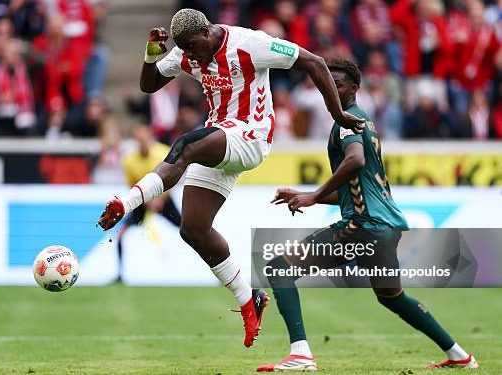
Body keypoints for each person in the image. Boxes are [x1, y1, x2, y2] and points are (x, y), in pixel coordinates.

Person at [97, 8, 364, 348]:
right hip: (219, 138)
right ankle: (249, 298)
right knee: (193, 229)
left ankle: (126, 201)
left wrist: (336, 113)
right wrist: (152, 54)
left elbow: (313, 61)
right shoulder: (185, 50)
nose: (191, 56)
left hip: (250, 136)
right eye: (186, 51)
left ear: (208, 32)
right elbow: (148, 85)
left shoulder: (251, 44)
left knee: (184, 145)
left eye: (194, 47)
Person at [257, 59, 477, 371]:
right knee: (391, 296)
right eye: (328, 83)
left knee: (279, 268)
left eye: (340, 84)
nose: (332, 88)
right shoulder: (366, 122)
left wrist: (313, 195)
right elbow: (357, 187)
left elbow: (355, 161)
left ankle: (301, 355)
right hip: (384, 226)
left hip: (363, 226)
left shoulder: (347, 121)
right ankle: (460, 355)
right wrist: (309, 197)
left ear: (355, 89)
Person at [116, 123, 181, 283]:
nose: (142, 141)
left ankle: (212, 269)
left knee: (189, 232)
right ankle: (120, 274)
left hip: (163, 199)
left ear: (150, 136)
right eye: (139, 138)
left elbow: (172, 179)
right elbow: (131, 185)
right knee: (121, 234)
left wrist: (160, 199)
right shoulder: (129, 160)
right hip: (143, 201)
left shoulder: (162, 152)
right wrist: (147, 201)